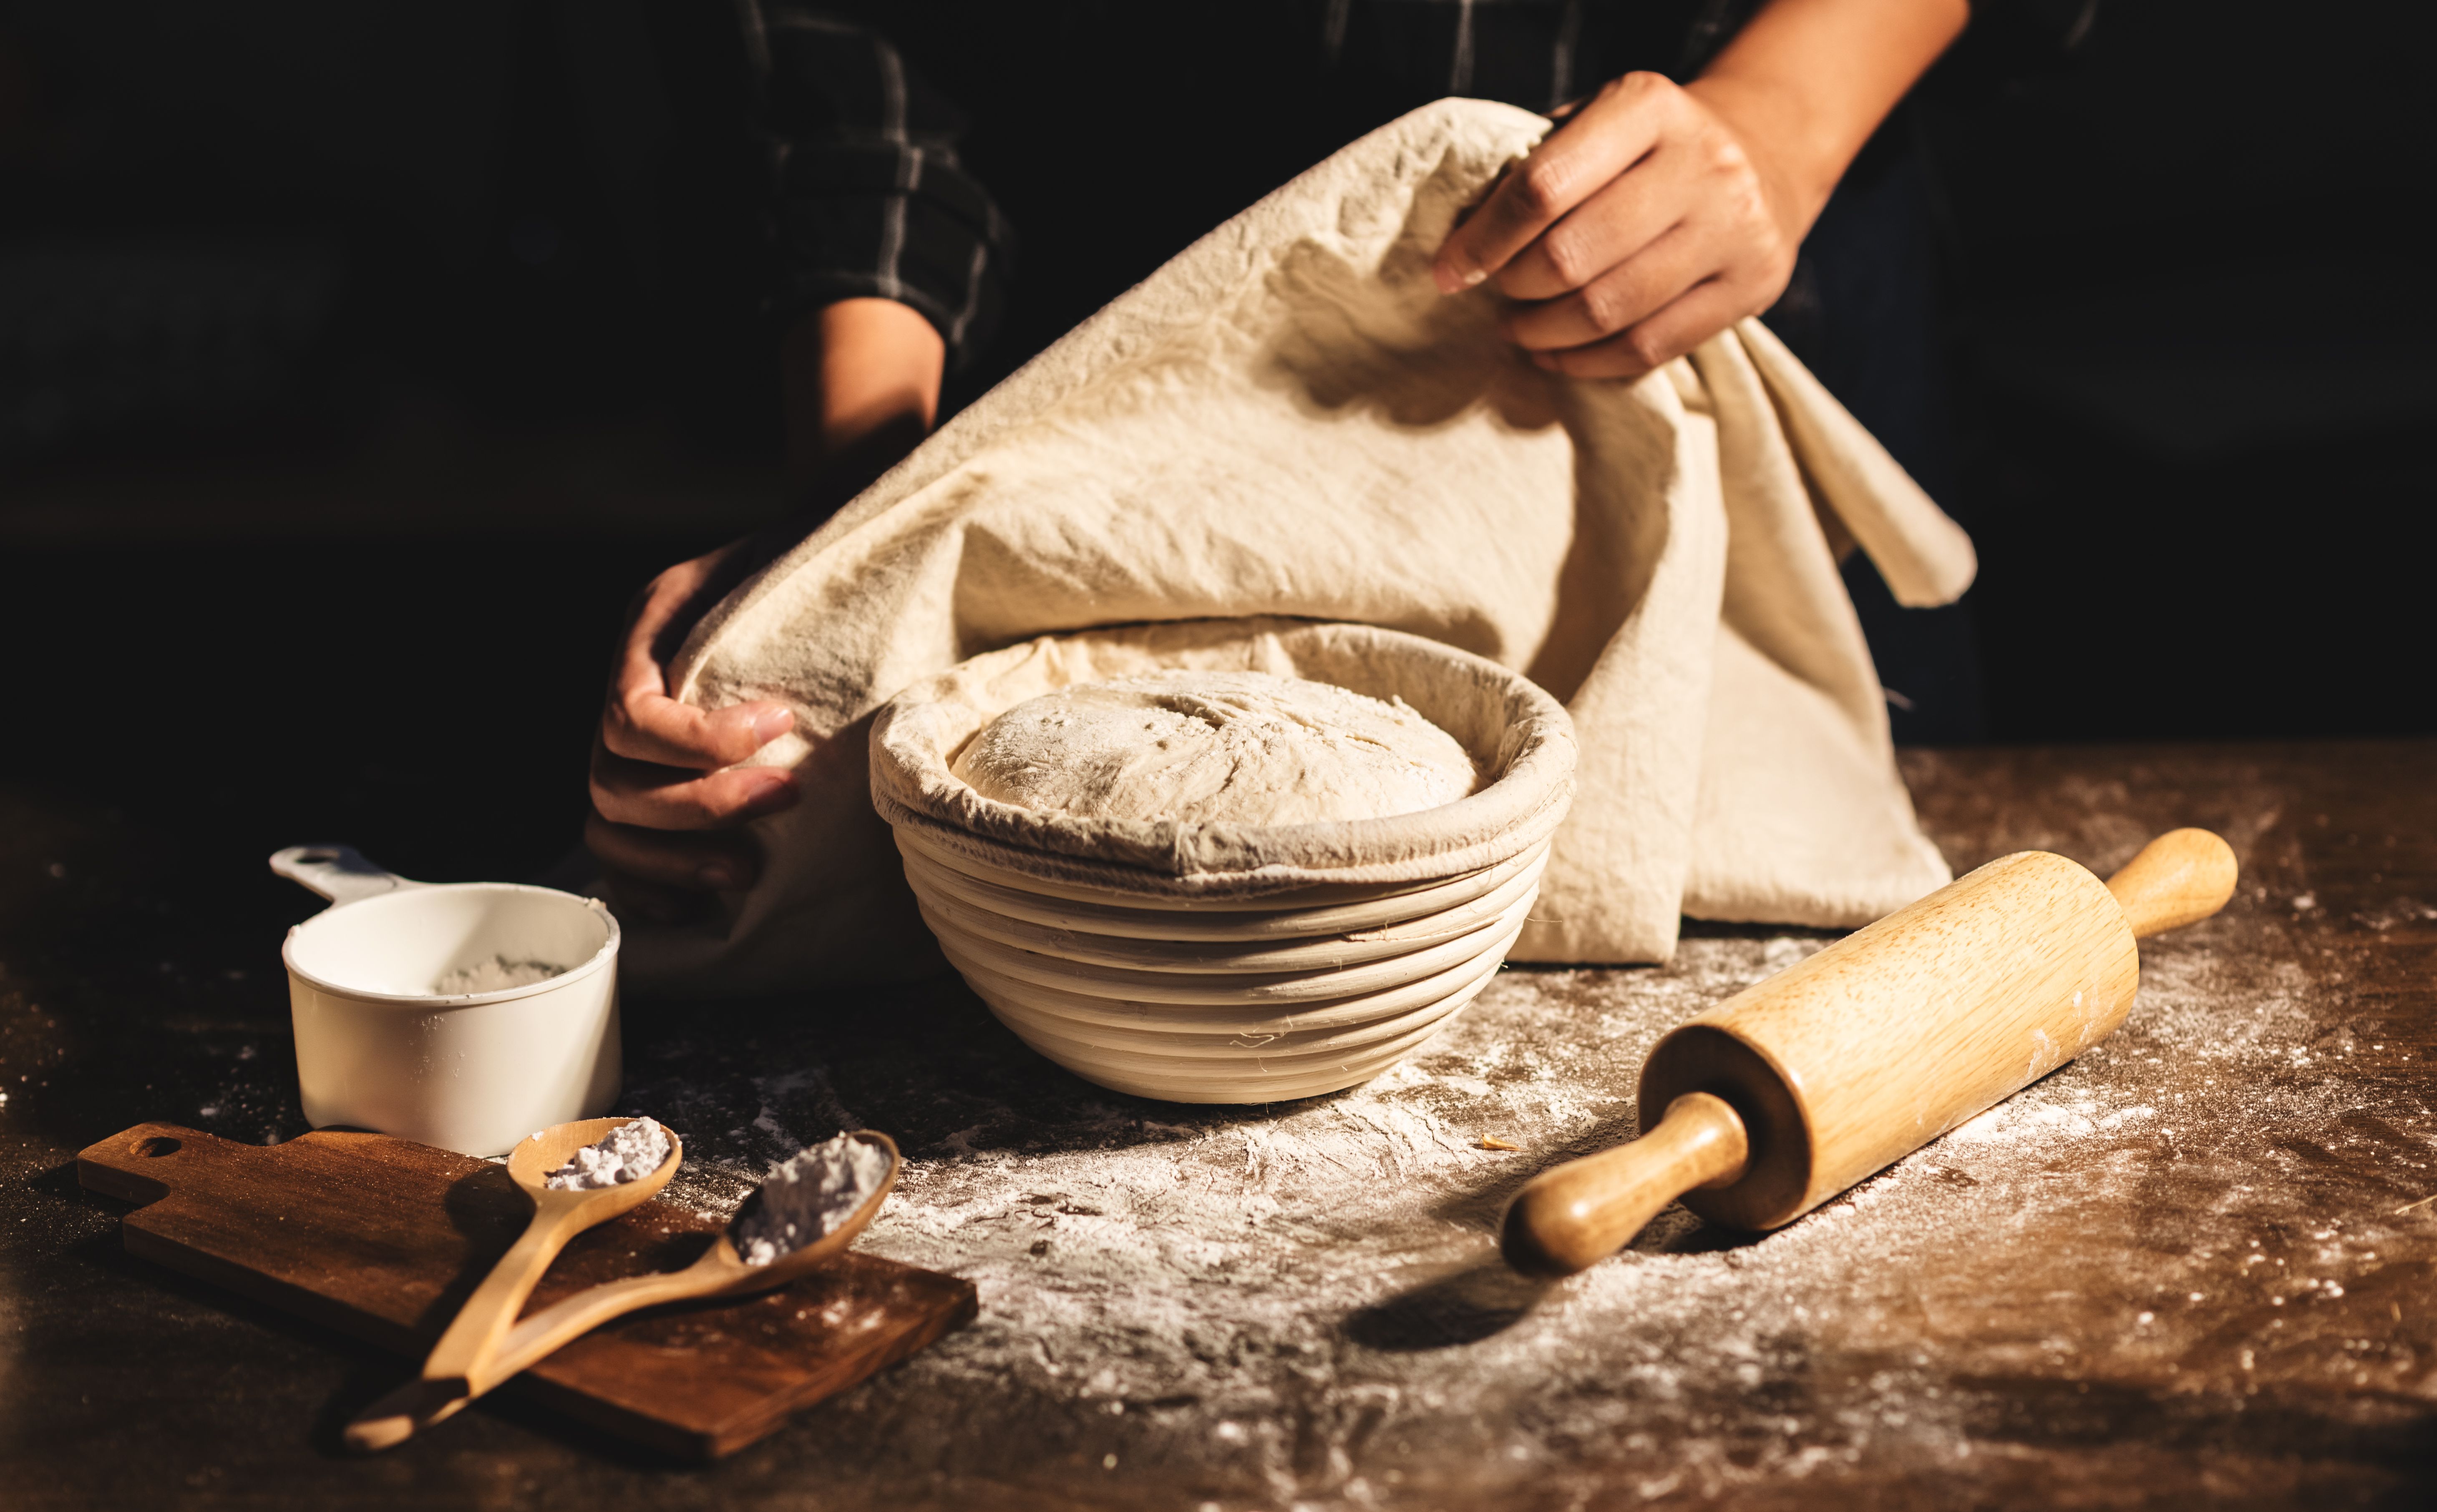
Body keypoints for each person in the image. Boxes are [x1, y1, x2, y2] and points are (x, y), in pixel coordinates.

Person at [586, 0, 1976, 925]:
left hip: (1689, 292)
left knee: (1786, 884)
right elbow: (876, 57)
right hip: (1127, 373)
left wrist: (1785, 118)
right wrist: (864, 541)